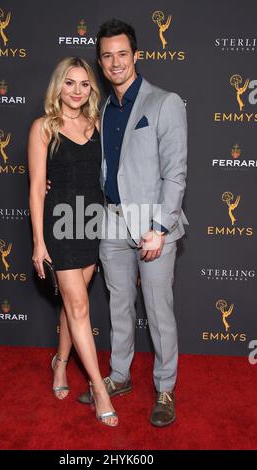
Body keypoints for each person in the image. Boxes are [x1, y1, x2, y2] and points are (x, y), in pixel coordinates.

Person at [76, 19, 188, 428]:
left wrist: (159, 227)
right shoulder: (103, 106)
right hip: (111, 221)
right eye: (107, 56)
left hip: (151, 224)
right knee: (118, 307)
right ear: (101, 62)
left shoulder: (165, 102)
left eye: (123, 54)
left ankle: (164, 387)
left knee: (158, 311)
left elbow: (175, 173)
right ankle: (119, 377)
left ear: (136, 56)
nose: (115, 62)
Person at [28, 57, 118, 427]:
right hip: (59, 227)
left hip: (91, 223)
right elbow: (36, 188)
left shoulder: (98, 125)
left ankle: (60, 363)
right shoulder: (43, 128)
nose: (77, 91)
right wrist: (38, 242)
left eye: (84, 84)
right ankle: (99, 388)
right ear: (58, 87)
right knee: (79, 307)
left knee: (72, 303)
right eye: (69, 83)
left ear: (91, 90)